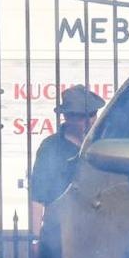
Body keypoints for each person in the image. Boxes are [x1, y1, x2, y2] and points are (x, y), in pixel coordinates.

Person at [29, 85, 105, 236]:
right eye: (82, 116)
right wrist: (35, 238)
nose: (89, 121)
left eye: (92, 114)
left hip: (99, 230)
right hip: (59, 231)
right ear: (67, 117)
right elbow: (38, 196)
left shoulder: (105, 142)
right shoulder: (50, 147)